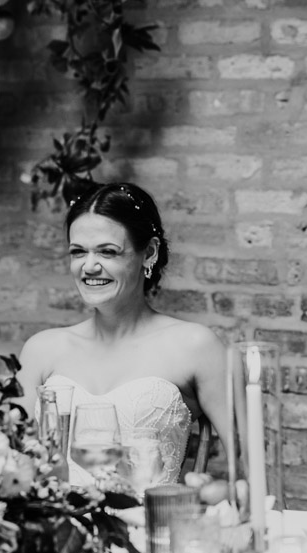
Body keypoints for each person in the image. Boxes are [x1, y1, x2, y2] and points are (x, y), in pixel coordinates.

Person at [14, 182, 228, 496]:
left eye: (108, 252)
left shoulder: (195, 346)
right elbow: (12, 465)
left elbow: (250, 464)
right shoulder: (41, 350)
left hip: (153, 534)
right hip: (56, 537)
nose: (88, 266)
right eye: (78, 252)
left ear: (149, 252)